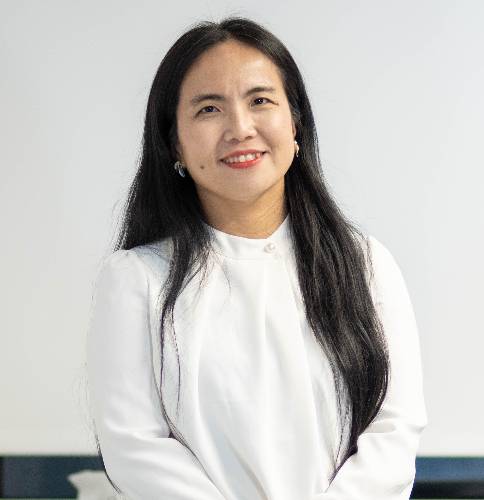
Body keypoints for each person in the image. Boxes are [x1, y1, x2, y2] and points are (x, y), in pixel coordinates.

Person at [86, 16, 427, 500]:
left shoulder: (366, 265)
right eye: (209, 109)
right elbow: (135, 448)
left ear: (296, 123)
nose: (240, 128)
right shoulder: (135, 280)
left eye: (260, 101)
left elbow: (393, 432)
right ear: (174, 142)